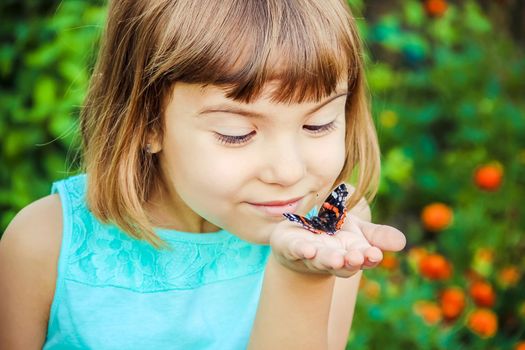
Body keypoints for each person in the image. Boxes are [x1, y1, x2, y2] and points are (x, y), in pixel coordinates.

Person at [0, 0, 406, 349]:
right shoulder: (44, 244)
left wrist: (302, 275)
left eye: (318, 125)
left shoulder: (335, 235)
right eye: (238, 134)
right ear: (147, 122)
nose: (288, 172)